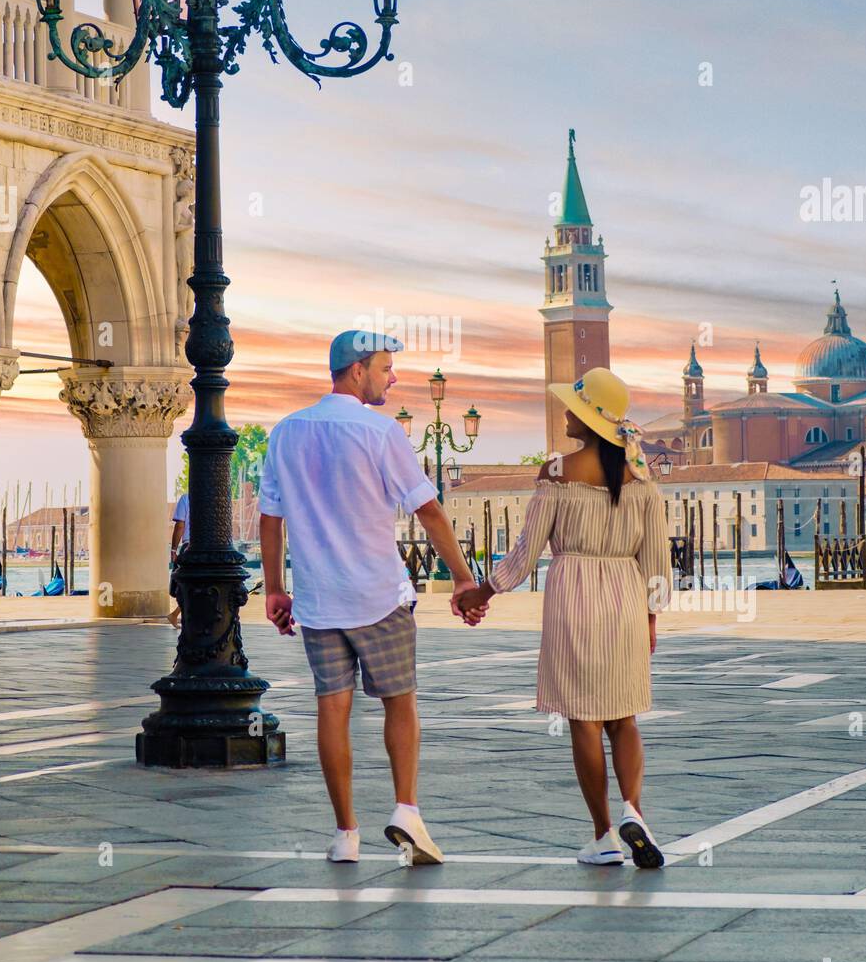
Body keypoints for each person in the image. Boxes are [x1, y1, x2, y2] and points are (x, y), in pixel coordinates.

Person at [258, 329, 486, 866]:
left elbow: (271, 518)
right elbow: (427, 510)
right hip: (380, 596)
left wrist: (273, 588)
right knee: (400, 702)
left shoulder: (286, 433)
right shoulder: (381, 433)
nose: (393, 378)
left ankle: (345, 834)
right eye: (385, 368)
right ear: (356, 371)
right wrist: (460, 577)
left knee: (331, 712)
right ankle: (406, 808)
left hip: (317, 602)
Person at [457, 367, 671, 869]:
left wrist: (481, 591)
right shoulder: (642, 480)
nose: (565, 413)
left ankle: (603, 835)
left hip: (573, 596)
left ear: (590, 419)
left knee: (584, 720)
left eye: (573, 407)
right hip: (625, 596)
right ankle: (634, 810)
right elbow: (658, 562)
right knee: (625, 715)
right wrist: (651, 617)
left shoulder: (556, 472)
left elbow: (526, 554)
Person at [168, 491, 189, 628]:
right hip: (211, 546)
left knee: (188, 584)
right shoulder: (215, 497)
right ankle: (176, 615)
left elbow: (180, 526)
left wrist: (174, 549)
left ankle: (175, 614)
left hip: (189, 547)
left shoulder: (186, 498)